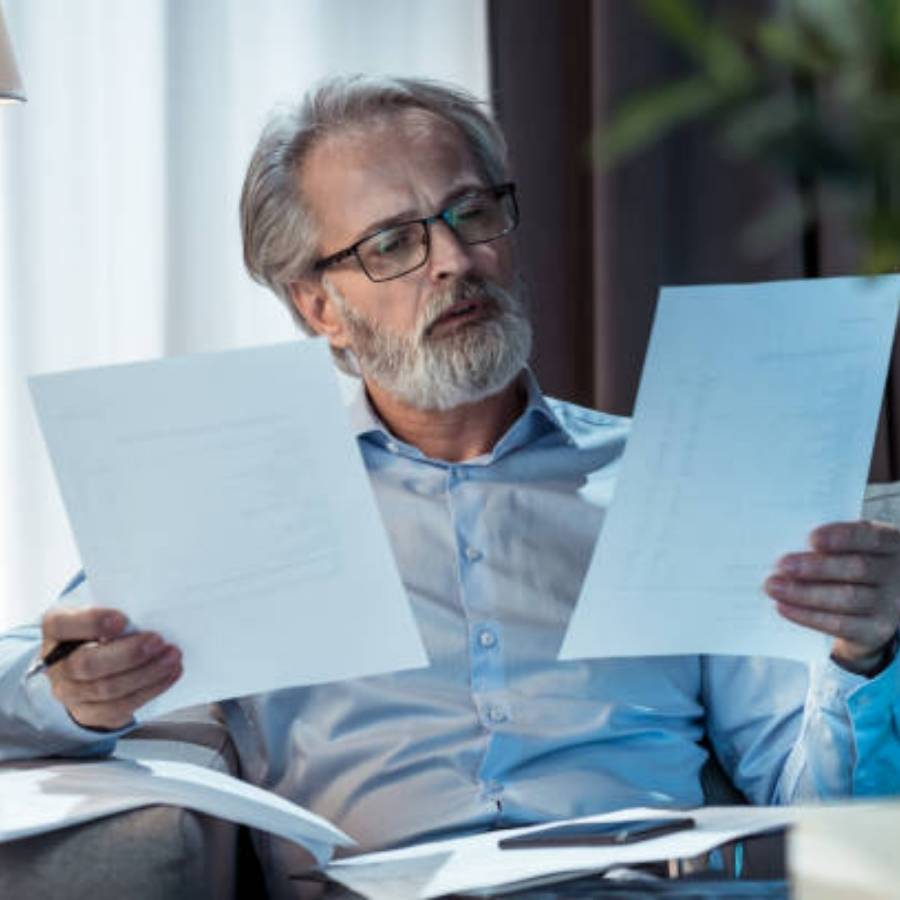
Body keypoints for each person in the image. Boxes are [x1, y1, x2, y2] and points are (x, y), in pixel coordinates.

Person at [1, 76, 899, 896]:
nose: (454, 261)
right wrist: (72, 691)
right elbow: (38, 679)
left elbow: (821, 801)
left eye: (471, 213)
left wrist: (869, 658)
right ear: (318, 306)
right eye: (392, 243)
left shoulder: (675, 479)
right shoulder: (240, 501)